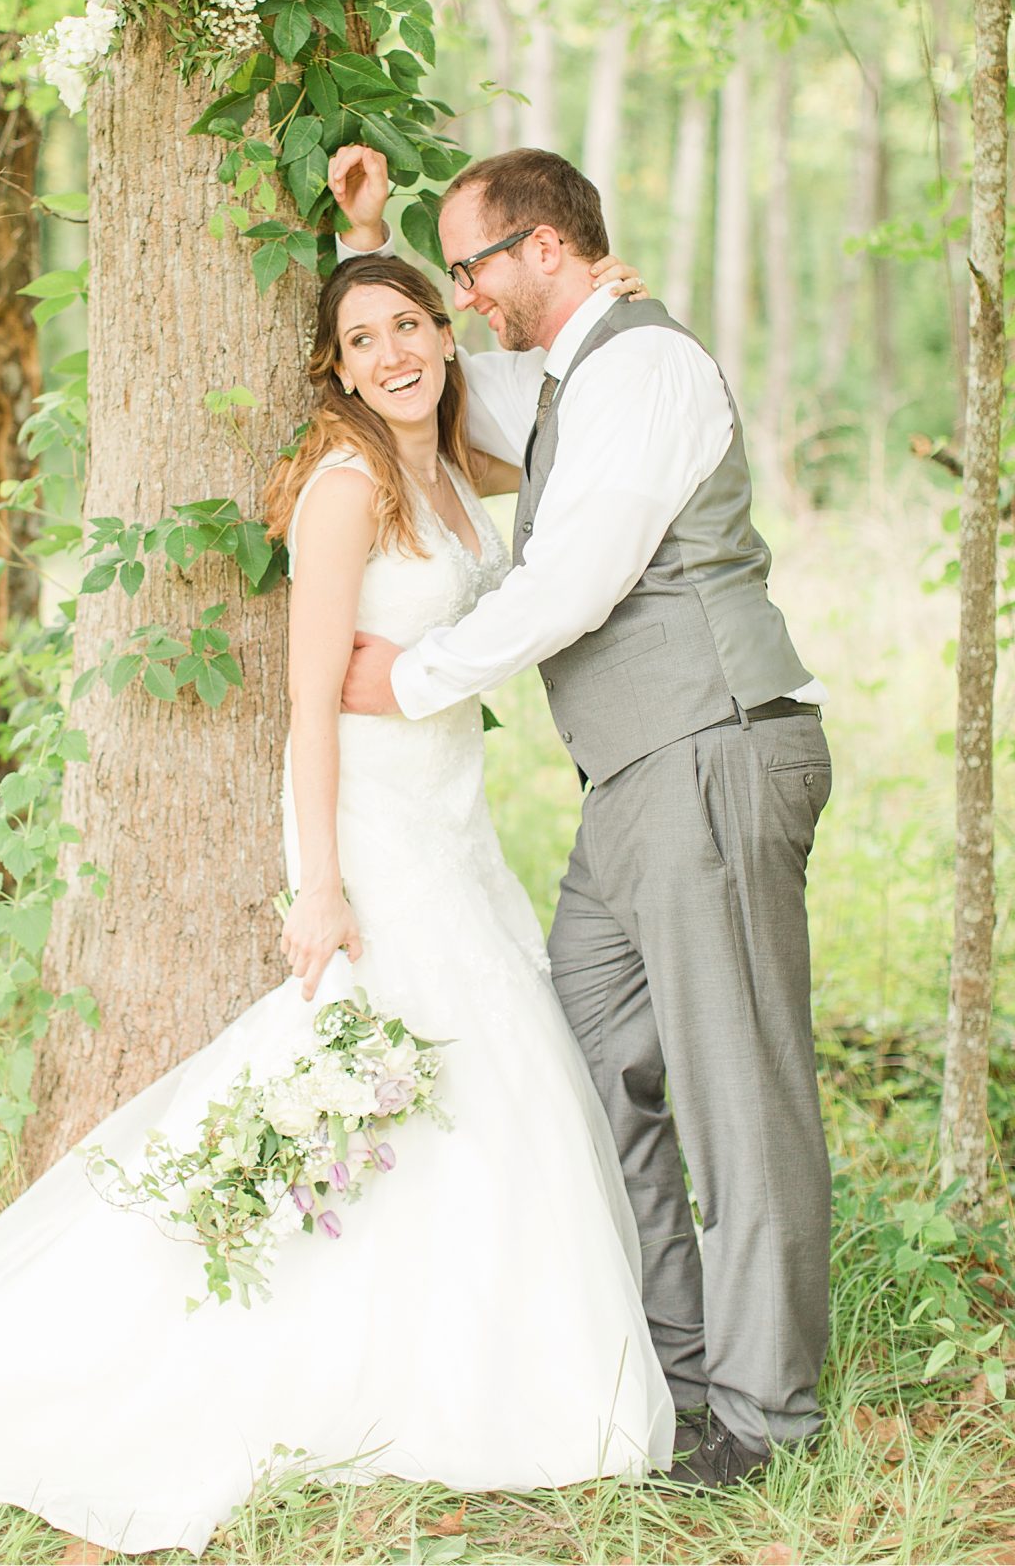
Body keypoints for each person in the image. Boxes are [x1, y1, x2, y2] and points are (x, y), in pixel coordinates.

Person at [0, 252, 674, 1560]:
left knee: (467, 1081)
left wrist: (605, 312)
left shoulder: (454, 463)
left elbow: (566, 408)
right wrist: (322, 886)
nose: (395, 353)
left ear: (444, 336)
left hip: (454, 826)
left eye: (412, 326)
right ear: (331, 371)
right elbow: (303, 703)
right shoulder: (345, 492)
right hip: (375, 835)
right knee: (398, 1068)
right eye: (363, 341)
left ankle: (461, 1361)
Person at [333, 142, 833, 1492]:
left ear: (545, 247)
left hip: (710, 750)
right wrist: (363, 243)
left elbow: (574, 580)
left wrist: (410, 680)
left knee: (739, 1093)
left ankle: (766, 1416)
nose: (461, 296)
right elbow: (418, 380)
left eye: (473, 265)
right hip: (634, 781)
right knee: (591, 1067)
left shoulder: (645, 374)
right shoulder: (559, 381)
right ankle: (675, 1370)